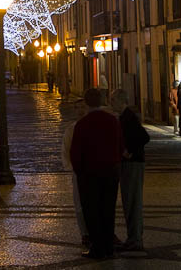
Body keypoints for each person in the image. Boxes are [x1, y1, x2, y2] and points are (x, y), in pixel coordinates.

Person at [70, 88, 123, 259]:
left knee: (91, 211)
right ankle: (108, 247)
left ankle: (97, 248)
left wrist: (79, 171)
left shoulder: (82, 124)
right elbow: (120, 144)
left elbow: (75, 152)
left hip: (89, 174)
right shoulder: (112, 121)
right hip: (110, 172)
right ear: (102, 101)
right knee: (108, 210)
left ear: (86, 102)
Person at [111, 89, 149, 251]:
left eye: (113, 100)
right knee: (130, 201)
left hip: (133, 164)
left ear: (121, 101)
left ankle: (135, 239)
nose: (111, 103)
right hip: (130, 164)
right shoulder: (125, 116)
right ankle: (133, 238)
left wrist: (129, 151)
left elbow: (144, 137)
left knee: (132, 201)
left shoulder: (129, 117)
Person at [62, 99, 90, 248]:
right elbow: (66, 150)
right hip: (78, 171)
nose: (79, 110)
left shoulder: (92, 127)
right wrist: (71, 168)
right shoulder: (71, 129)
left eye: (82, 107)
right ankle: (85, 233)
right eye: (77, 107)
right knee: (79, 204)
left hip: (93, 170)